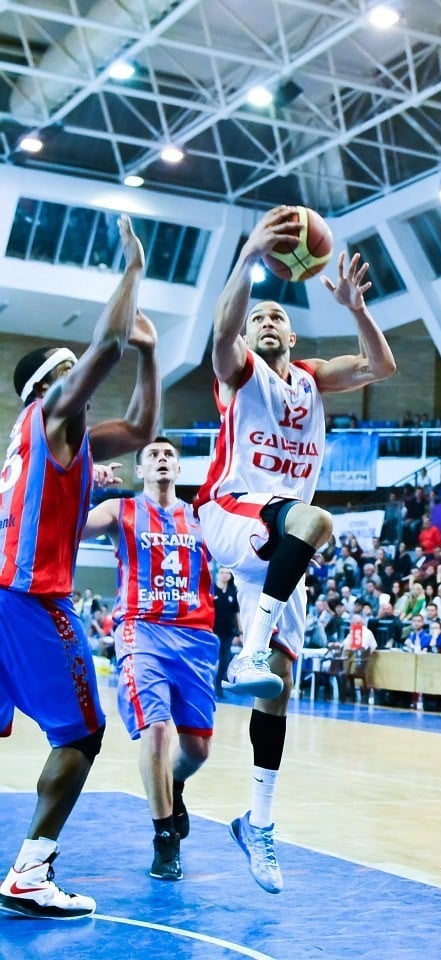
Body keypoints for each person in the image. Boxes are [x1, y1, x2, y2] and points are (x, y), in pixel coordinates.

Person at [193, 205, 395, 894]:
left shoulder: (310, 378)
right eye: (260, 317)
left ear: (295, 331)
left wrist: (358, 307)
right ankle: (245, 648)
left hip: (280, 548)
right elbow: (222, 330)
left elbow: (381, 365)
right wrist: (249, 251)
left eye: (279, 314)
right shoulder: (238, 371)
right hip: (230, 510)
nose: (268, 320)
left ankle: (259, 823)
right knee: (312, 520)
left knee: (276, 694)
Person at [0, 216, 159, 920]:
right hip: (30, 600)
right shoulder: (53, 416)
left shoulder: (62, 440)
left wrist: (151, 358)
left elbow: (144, 427)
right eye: (71, 371)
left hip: (5, 593)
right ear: (48, 386)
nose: (83, 378)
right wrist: (132, 269)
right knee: (81, 734)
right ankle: (32, 871)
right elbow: (109, 343)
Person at [82, 437, 217, 881]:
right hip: (143, 630)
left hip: (196, 636)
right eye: (153, 456)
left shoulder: (202, 517)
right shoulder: (120, 510)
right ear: (140, 471)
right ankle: (164, 838)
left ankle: (174, 785)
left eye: (169, 456)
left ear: (179, 469)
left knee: (196, 751)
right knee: (156, 729)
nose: (162, 460)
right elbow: (71, 526)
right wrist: (86, 480)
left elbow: (247, 550)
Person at [213, 566, 242, 698]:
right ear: (218, 574)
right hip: (213, 631)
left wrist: (240, 632)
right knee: (211, 659)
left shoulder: (232, 591)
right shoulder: (212, 590)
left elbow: (236, 613)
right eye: (222, 572)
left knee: (224, 660)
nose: (225, 575)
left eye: (227, 573)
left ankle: (218, 686)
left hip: (228, 632)